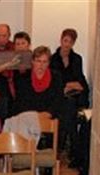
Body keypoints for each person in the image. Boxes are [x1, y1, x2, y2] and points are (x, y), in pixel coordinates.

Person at [51, 28, 89, 156]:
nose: (67, 44)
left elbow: (82, 84)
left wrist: (67, 84)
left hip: (75, 98)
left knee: (69, 109)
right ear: (61, 40)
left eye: (70, 42)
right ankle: (75, 152)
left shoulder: (77, 59)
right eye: (65, 40)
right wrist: (69, 85)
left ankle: (58, 150)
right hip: (59, 98)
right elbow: (55, 83)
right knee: (69, 111)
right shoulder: (53, 59)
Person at [10, 46, 63, 119]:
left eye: (45, 62)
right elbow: (21, 102)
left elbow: (58, 100)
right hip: (28, 117)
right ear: (32, 61)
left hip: (49, 116)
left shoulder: (56, 77)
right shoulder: (23, 78)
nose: (41, 65)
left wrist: (49, 113)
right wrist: (33, 116)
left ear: (49, 63)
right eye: (38, 61)